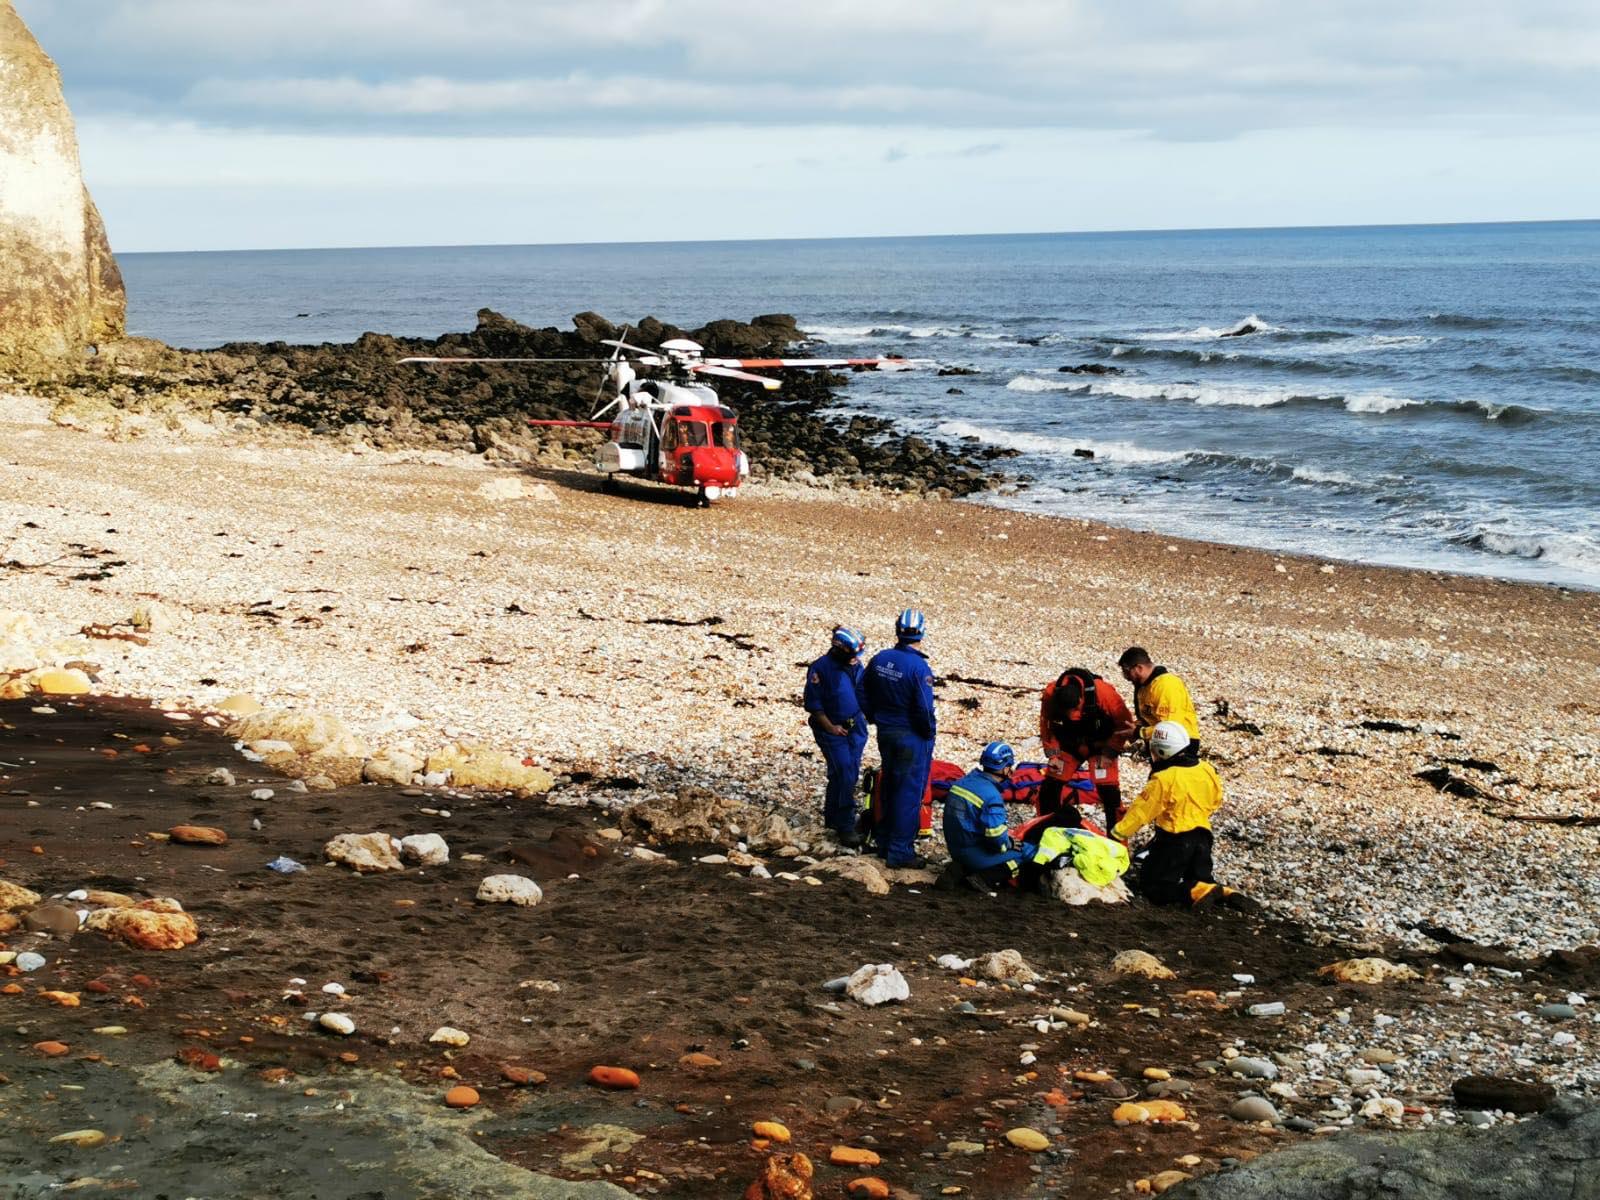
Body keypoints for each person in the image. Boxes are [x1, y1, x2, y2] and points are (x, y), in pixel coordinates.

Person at [1112, 720, 1226, 906]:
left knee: (1154, 885)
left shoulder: (1164, 779)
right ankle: (1221, 893)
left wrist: (1119, 832)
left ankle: (1194, 892)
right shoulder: (1205, 769)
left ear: (1161, 751)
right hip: (1204, 836)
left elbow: (1141, 811)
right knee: (1200, 876)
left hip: (1175, 840)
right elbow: (1216, 798)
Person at [862, 608, 936, 869]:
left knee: (889, 785)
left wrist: (874, 716)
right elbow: (925, 709)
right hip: (911, 736)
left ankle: (883, 842)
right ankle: (899, 851)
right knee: (908, 792)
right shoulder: (919, 667)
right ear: (921, 633)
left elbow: (862, 689)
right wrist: (928, 732)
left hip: (887, 731)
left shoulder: (880, 659)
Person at [1037, 667, 1136, 832]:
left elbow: (1124, 724)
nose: (1071, 716)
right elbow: (1046, 725)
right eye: (1067, 712)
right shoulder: (1051, 693)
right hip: (1069, 745)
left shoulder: (1104, 693)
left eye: (1075, 711)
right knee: (1049, 790)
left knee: (1109, 794)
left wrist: (1110, 752)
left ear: (1081, 699)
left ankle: (1118, 843)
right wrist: (1052, 754)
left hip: (1101, 747)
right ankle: (1047, 832)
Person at [803, 626, 870, 847]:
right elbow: (814, 705)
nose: (855, 659)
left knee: (846, 772)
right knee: (845, 773)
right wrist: (830, 727)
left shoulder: (855, 664)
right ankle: (845, 825)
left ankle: (832, 818)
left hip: (855, 727)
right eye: (851, 655)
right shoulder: (820, 669)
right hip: (832, 730)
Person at [943, 742, 1024, 889]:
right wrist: (1009, 843)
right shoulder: (992, 795)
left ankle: (961, 868)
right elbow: (996, 837)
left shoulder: (963, 782)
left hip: (955, 848)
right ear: (1005, 769)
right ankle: (983, 878)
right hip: (972, 852)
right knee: (1023, 855)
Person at [1117, 647, 1200, 750]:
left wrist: (1138, 732)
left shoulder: (1166, 685)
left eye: (1127, 672)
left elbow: (1170, 728)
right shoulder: (1144, 687)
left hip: (1181, 743)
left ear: (1139, 668)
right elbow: (1150, 718)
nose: (1127, 677)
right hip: (1160, 743)